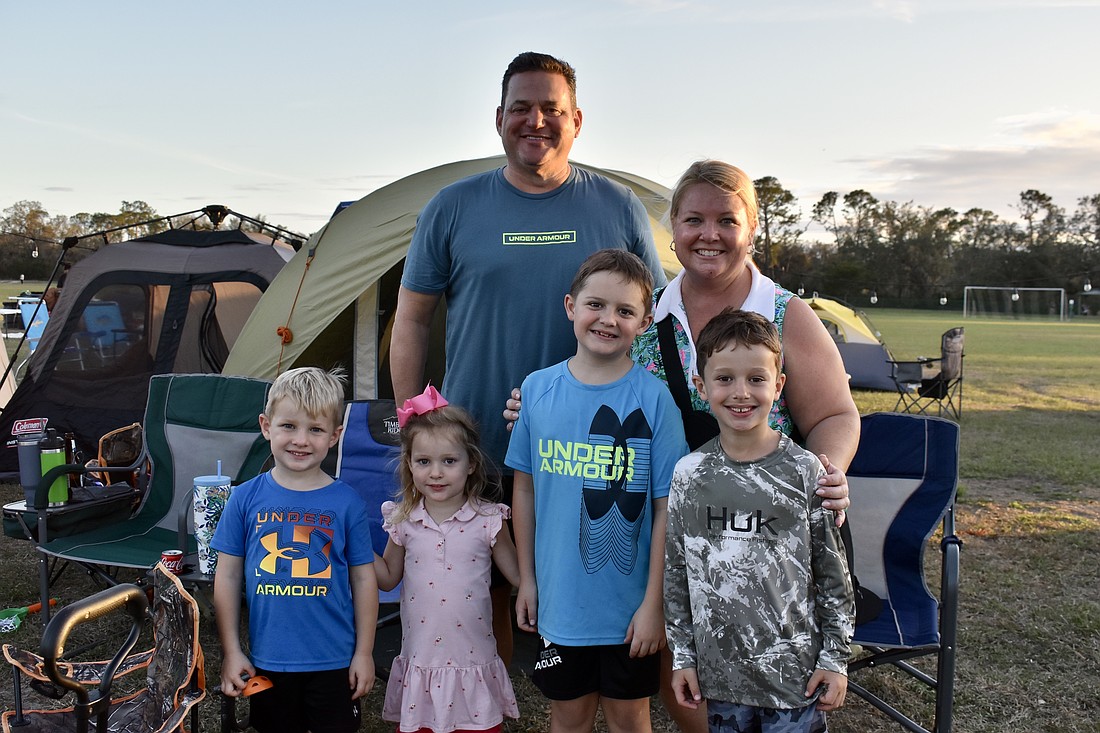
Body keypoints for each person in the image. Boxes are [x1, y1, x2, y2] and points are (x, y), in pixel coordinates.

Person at [505, 159, 859, 733]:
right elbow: (595, 381)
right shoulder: (649, 313)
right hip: (667, 523)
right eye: (693, 219)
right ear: (673, 227)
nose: (709, 234)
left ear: (752, 226)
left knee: (756, 668)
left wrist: (828, 469)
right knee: (682, 674)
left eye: (727, 219)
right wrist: (537, 410)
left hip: (758, 521)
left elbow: (838, 414)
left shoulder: (784, 311)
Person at [390, 50, 667, 665]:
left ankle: (570, 669)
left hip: (590, 441)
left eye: (552, 109)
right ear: (498, 117)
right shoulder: (453, 206)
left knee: (587, 556)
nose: (535, 120)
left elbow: (651, 320)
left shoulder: (617, 206)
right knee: (474, 576)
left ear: (577, 121)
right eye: (522, 108)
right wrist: (414, 418)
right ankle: (485, 687)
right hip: (476, 434)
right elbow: (410, 318)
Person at [506, 250, 688, 732]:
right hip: (560, 602)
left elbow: (668, 505)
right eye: (596, 305)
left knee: (630, 717)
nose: (608, 320)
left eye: (625, 311)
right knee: (569, 715)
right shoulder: (538, 390)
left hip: (631, 608)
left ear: (644, 322)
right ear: (570, 306)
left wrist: (654, 605)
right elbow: (523, 491)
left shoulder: (654, 398)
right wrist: (528, 579)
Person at [664, 309, 854, 733]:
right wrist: (683, 657)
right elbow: (677, 574)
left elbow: (832, 575)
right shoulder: (689, 475)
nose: (740, 393)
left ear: (778, 385)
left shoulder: (806, 472)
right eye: (725, 378)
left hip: (793, 681)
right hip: (721, 681)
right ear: (701, 386)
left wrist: (835, 659)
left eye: (756, 378)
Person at [212, 367, 377, 733]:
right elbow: (227, 575)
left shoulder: (347, 502)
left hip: (334, 659)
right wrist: (232, 650)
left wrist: (364, 653)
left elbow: (365, 579)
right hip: (268, 661)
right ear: (266, 426)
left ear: (334, 436)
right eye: (289, 426)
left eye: (315, 429)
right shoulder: (243, 498)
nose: (301, 440)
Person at [373, 385, 522, 733]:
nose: (435, 473)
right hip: (422, 660)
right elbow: (388, 577)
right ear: (409, 465)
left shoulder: (489, 519)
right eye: (423, 462)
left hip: (474, 660)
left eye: (449, 461)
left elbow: (517, 575)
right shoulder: (403, 520)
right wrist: (355, 546)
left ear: (471, 464)